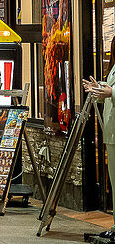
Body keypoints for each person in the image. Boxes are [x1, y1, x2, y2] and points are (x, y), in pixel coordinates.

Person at [86, 36, 115, 240]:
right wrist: (100, 88)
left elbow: (113, 91)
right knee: (114, 181)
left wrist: (110, 91)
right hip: (111, 132)